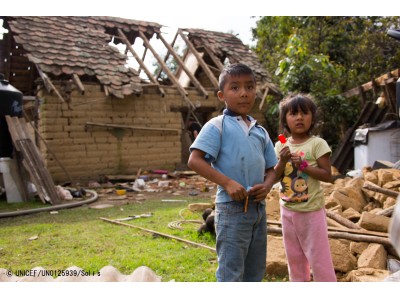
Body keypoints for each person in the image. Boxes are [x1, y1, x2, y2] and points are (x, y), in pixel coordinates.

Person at [187, 63, 277, 282]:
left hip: (258, 210)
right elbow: (195, 160)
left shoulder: (260, 130)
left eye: (249, 87)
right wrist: (227, 183)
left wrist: (266, 186)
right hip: (231, 210)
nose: (244, 93)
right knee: (231, 273)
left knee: (255, 271)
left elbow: (272, 169)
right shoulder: (217, 126)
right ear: (221, 95)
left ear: (256, 91)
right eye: (235, 88)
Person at [274, 93, 336, 282]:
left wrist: (304, 166)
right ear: (285, 119)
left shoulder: (317, 144)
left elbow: (328, 176)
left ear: (313, 118)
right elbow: (275, 176)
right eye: (293, 114)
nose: (299, 117)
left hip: (311, 212)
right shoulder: (280, 146)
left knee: (319, 259)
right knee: (294, 258)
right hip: (288, 210)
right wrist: (282, 162)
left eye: (304, 113)